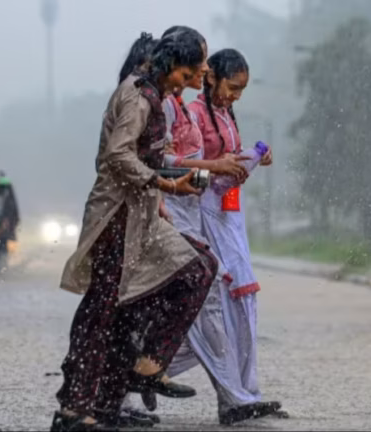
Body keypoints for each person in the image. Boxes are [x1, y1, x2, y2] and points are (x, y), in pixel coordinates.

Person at [51, 28, 216, 432]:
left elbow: (147, 157)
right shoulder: (138, 96)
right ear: (172, 65)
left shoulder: (157, 96)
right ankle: (75, 410)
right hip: (115, 219)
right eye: (190, 71)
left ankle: (144, 368)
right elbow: (117, 155)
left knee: (196, 268)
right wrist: (164, 185)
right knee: (102, 310)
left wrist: (170, 183)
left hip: (142, 215)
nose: (192, 79)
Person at [187, 48, 283, 423]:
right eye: (232, 86)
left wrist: (250, 157)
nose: (235, 96)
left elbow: (226, 163)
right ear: (210, 77)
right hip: (203, 216)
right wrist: (219, 168)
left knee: (242, 304)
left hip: (230, 215)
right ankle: (234, 396)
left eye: (242, 90)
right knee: (215, 308)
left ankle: (245, 392)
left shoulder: (226, 114)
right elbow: (185, 169)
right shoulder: (193, 116)